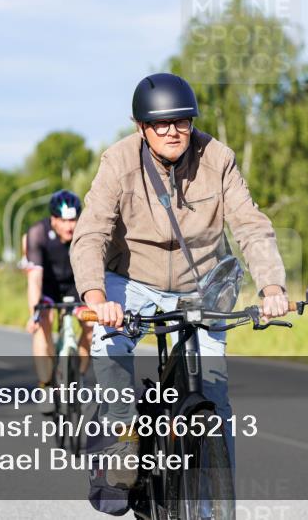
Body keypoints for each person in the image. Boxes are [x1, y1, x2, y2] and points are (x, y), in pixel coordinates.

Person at [70, 72, 289, 488]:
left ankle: (218, 496)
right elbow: (91, 233)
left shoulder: (217, 158)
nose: (173, 131)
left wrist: (272, 288)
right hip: (131, 280)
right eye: (161, 124)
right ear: (141, 127)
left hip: (200, 284)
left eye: (182, 121)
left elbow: (250, 225)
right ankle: (123, 435)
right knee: (108, 345)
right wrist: (97, 298)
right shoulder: (118, 162)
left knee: (214, 392)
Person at [25, 189, 93, 389]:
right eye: (63, 221)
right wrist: (34, 313)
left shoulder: (86, 232)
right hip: (49, 286)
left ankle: (77, 376)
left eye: (73, 220)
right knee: (43, 322)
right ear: (53, 219)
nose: (69, 226)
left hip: (75, 286)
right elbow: (34, 278)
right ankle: (46, 381)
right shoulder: (37, 233)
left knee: (91, 327)